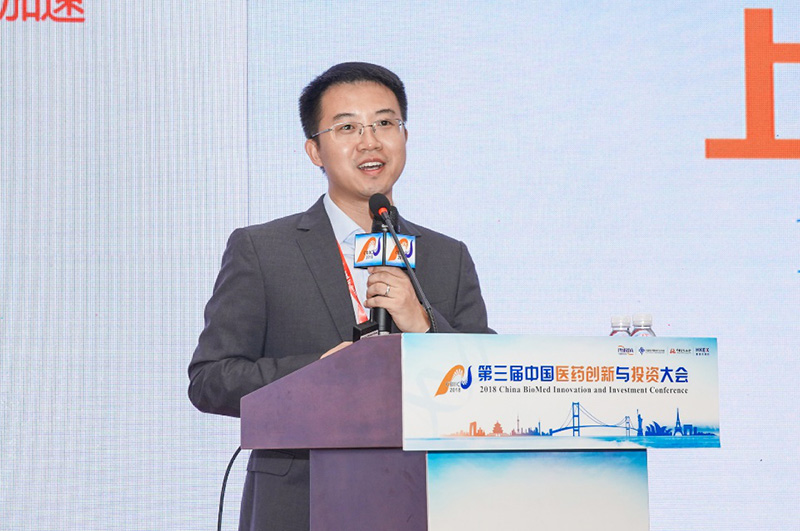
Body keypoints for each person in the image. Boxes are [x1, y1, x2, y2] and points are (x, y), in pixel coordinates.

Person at [188, 62, 492, 531]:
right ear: (315, 150)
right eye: (348, 127)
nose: (370, 142)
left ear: (405, 137)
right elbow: (210, 379)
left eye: (385, 123)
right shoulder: (263, 250)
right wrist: (320, 372)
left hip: (424, 499)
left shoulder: (447, 256)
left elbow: (489, 384)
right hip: (299, 502)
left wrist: (424, 324)